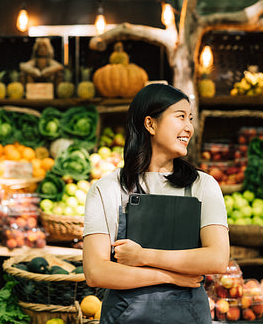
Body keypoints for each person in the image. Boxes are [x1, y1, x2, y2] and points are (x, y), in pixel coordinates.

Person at [83, 83, 230, 323]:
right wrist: (171, 277)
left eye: (190, 118)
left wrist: (143, 256)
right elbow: (96, 273)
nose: (189, 128)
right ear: (150, 124)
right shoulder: (106, 190)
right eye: (180, 116)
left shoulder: (202, 186)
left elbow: (217, 259)